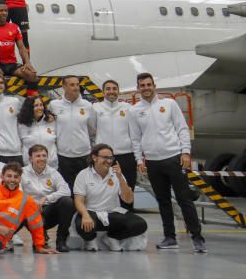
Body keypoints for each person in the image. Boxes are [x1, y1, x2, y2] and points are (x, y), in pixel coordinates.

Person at [129, 72, 205, 253]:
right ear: (138, 88)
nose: (146, 88)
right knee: (163, 201)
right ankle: (170, 237)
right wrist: (139, 159)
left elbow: (182, 128)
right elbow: (135, 138)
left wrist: (185, 152)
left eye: (149, 84)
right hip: (153, 162)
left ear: (154, 85)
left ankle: (197, 238)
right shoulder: (134, 111)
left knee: (184, 199)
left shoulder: (169, 104)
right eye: (142, 85)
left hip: (173, 158)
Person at [73, 143, 148, 251]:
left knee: (140, 224)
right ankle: (90, 240)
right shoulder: (83, 175)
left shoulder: (117, 174)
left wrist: (120, 178)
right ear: (94, 157)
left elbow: (128, 200)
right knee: (82, 225)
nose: (109, 161)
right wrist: (85, 215)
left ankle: (112, 237)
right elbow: (78, 201)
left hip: (113, 213)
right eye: (105, 157)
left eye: (111, 158)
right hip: (92, 213)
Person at [93, 79, 137, 209]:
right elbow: (91, 129)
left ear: (118, 91)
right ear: (103, 91)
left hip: (126, 155)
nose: (111, 91)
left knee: (127, 190)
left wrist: (138, 157)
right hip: (104, 157)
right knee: (104, 192)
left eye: (114, 89)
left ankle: (128, 222)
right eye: (108, 89)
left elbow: (134, 133)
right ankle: (108, 223)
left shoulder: (128, 108)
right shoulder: (95, 108)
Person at [21, 144, 73, 252]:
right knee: (24, 207)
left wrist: (46, 198)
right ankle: (40, 238)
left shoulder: (53, 172)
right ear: (31, 158)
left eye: (44, 156)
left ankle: (61, 240)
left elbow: (66, 191)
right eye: (38, 156)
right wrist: (32, 203)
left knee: (67, 202)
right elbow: (18, 193)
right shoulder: (22, 172)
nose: (41, 159)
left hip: (49, 210)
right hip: (31, 211)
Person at [50, 75, 96, 189]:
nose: (76, 87)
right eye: (72, 85)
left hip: (84, 155)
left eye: (77, 84)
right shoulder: (54, 105)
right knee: (67, 189)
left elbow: (92, 129)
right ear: (64, 87)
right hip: (63, 156)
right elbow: (51, 128)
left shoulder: (87, 105)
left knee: (86, 188)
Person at [0, 2, 38, 84]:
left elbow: (21, 48)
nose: (4, 13)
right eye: (1, 11)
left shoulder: (14, 27)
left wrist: (27, 62)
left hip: (12, 65)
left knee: (32, 75)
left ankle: (31, 96)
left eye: (6, 11)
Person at [18, 94, 58, 169]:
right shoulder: (22, 125)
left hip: (51, 166)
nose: (40, 108)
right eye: (36, 105)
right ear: (29, 108)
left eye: (41, 105)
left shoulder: (51, 121)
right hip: (30, 167)